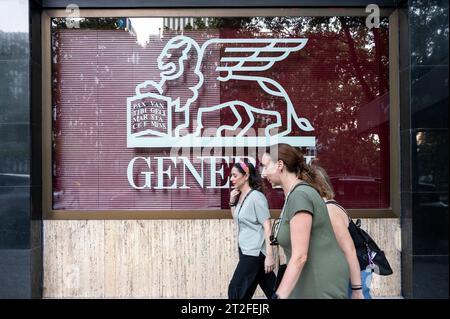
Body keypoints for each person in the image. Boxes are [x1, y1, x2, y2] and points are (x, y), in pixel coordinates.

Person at [260, 144, 349, 299]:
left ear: (280, 165)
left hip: (319, 280)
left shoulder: (300, 195)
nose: (262, 173)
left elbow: (300, 256)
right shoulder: (295, 193)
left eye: (265, 166)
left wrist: (279, 296)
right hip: (309, 277)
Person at [309, 164, 371, 299]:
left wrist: (357, 289)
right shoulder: (322, 208)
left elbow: (349, 250)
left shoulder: (330, 210)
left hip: (353, 274)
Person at [228, 160, 276, 299]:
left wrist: (270, 256)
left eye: (235, 175)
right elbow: (237, 218)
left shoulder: (256, 197)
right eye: (231, 176)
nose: (232, 179)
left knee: (235, 290)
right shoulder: (241, 196)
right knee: (273, 291)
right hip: (245, 250)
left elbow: (267, 226)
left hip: (254, 252)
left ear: (246, 176)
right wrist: (232, 202)